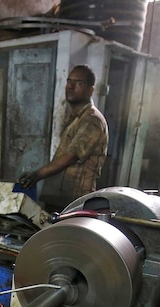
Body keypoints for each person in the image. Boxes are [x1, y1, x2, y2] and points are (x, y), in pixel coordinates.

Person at [17, 64, 109, 212]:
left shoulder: (92, 120)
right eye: (69, 81)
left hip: (75, 200)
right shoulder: (75, 118)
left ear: (90, 89)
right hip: (58, 197)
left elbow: (71, 157)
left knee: (66, 235)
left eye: (78, 83)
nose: (70, 87)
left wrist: (36, 175)